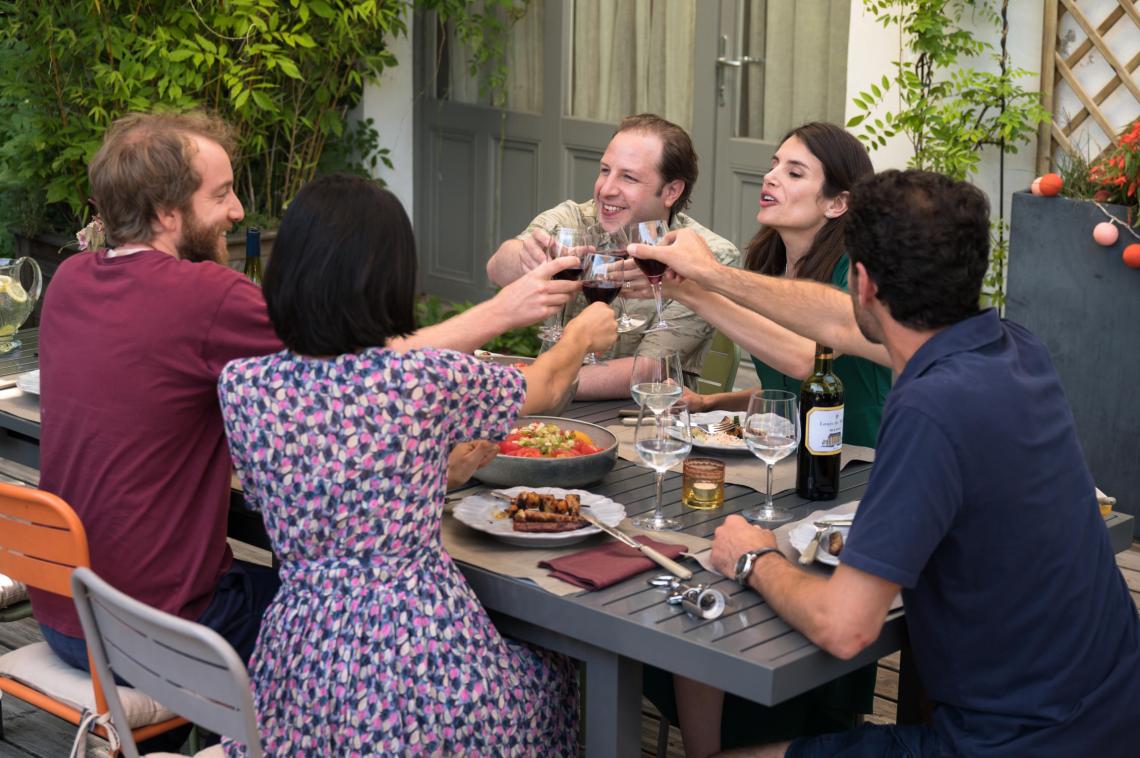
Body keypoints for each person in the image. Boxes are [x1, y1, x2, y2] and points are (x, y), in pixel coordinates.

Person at [30, 111, 583, 676]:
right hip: (158, 630)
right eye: (221, 194)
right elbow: (363, 366)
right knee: (351, 622)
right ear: (167, 214)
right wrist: (502, 310)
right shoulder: (202, 297)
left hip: (65, 607)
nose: (239, 210)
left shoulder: (71, 279)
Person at [649, 170, 1140, 756]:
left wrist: (751, 557)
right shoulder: (1014, 348)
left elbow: (845, 626)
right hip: (1114, 709)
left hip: (1018, 741)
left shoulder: (931, 409)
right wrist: (708, 280)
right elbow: (831, 319)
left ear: (862, 281)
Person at [216, 173, 615, 755]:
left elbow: (311, 474)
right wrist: (580, 334)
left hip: (300, 657)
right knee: (553, 676)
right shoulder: (419, 379)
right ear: (386, 278)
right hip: (417, 649)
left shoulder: (243, 384)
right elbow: (548, 388)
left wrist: (428, 475)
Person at [486, 113, 740, 398]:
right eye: (605, 170)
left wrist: (535, 384)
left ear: (671, 191)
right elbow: (497, 269)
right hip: (548, 407)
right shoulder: (574, 220)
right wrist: (525, 257)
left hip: (644, 420)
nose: (606, 190)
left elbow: (647, 370)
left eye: (628, 177)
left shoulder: (707, 255)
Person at [674, 122, 892, 449]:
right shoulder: (769, 265)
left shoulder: (856, 270)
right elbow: (786, 389)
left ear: (837, 203)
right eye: (774, 164)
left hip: (859, 463)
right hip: (789, 455)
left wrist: (695, 288)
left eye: (795, 173)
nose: (770, 176)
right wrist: (711, 402)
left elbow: (803, 360)